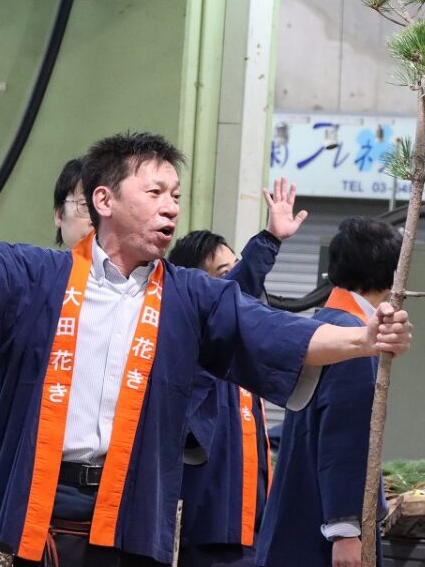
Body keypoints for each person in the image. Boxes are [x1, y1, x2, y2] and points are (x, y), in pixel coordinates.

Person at [0, 132, 413, 567]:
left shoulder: (191, 296)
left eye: (176, 195)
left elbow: (271, 331)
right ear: (104, 200)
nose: (171, 206)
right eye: (155, 192)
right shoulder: (39, 276)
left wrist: (363, 338)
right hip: (41, 500)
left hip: (133, 506)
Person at [170, 177, 308, 567]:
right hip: (207, 537)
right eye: (223, 273)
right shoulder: (194, 348)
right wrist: (268, 241)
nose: (236, 288)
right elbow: (231, 294)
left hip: (251, 536)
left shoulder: (242, 359)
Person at [254, 216, 400, 567]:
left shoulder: (325, 323)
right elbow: (344, 438)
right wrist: (346, 530)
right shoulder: (353, 336)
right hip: (320, 533)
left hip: (298, 514)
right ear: (392, 273)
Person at [0, 157, 92, 510]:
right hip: (26, 481)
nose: (93, 216)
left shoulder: (137, 298)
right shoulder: (28, 288)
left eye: (102, 204)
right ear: (58, 215)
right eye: (83, 204)